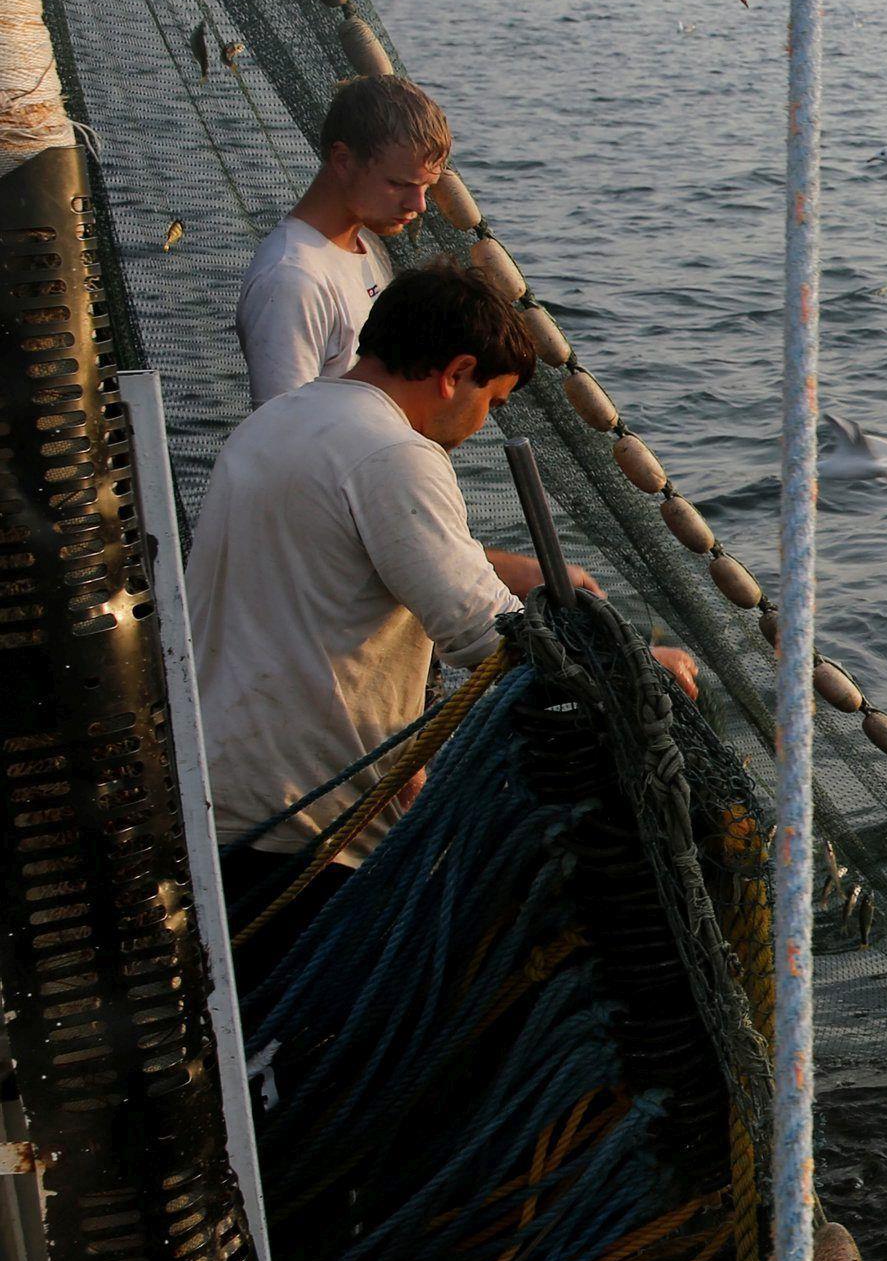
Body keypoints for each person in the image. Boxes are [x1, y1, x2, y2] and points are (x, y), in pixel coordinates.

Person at [190, 265, 697, 990]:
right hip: (299, 830)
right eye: (491, 400)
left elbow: (348, 553)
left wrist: (500, 567)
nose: (483, 423)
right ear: (457, 372)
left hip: (217, 801)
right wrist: (639, 664)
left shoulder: (283, 421)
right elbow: (488, 637)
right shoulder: (395, 453)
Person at [235, 73, 452, 406]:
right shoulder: (291, 280)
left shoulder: (368, 245)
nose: (418, 205)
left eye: (425, 187)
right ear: (342, 160)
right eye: (398, 184)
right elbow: (282, 433)